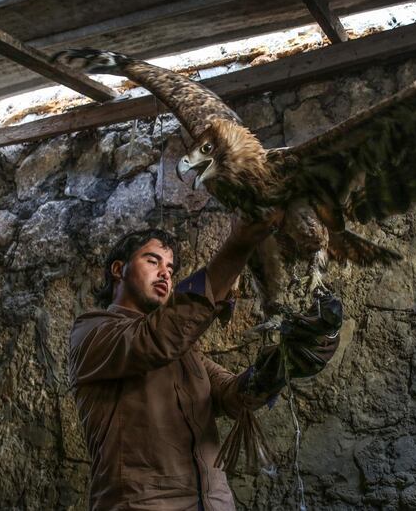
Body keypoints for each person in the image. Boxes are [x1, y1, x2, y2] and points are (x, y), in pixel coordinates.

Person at [68, 214, 342, 511]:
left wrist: (290, 359)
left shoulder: (185, 352)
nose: (165, 274)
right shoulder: (92, 332)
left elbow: (236, 395)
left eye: (170, 268)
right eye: (153, 261)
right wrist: (239, 244)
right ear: (119, 270)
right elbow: (156, 340)